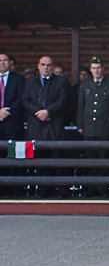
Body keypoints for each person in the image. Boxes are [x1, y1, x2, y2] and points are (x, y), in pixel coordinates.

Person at [22, 56, 71, 198]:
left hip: (54, 126)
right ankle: (43, 191)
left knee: (58, 161)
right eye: (43, 64)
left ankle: (62, 192)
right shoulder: (30, 82)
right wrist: (39, 113)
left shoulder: (61, 81)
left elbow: (64, 100)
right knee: (40, 162)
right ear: (38, 66)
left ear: (53, 66)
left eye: (49, 65)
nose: (46, 67)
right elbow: (25, 100)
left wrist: (48, 111)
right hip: (36, 127)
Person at [76, 56, 109, 198]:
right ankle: (91, 187)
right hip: (89, 126)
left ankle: (102, 188)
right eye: (94, 68)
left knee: (103, 158)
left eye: (99, 68)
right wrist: (79, 124)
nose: (96, 70)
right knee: (90, 158)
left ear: (103, 69)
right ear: (90, 70)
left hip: (104, 126)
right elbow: (81, 106)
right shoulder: (85, 84)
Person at [0, 53, 26, 197]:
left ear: (10, 63)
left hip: (12, 124)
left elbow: (21, 98)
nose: (2, 63)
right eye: (0, 61)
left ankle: (14, 190)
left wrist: (6, 112)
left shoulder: (18, 79)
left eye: (5, 60)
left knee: (13, 155)